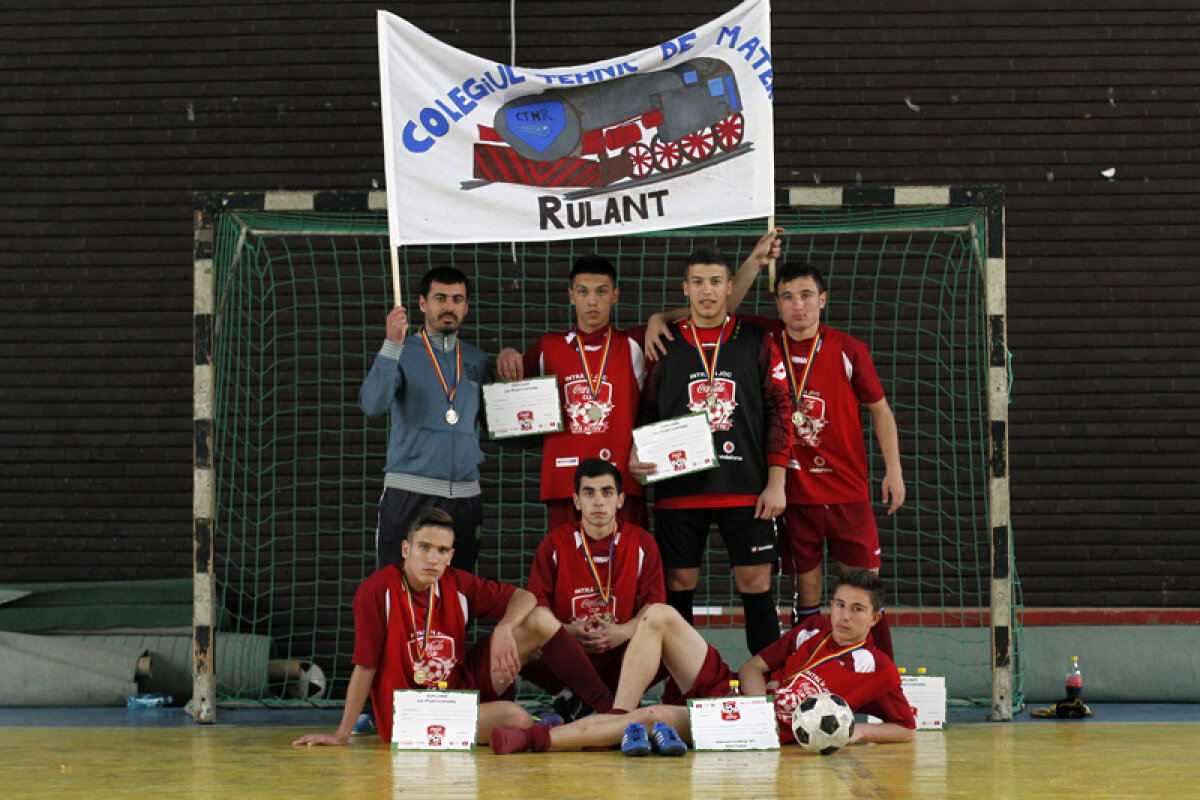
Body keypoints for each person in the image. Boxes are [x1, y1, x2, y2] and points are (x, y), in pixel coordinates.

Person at [488, 568, 914, 753]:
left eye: (856, 610)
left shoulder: (878, 668)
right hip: (739, 697)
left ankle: (534, 741)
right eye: (839, 604)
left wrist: (859, 732)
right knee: (659, 615)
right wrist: (754, 700)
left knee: (654, 715)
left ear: (875, 618)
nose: (842, 615)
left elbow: (907, 729)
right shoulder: (814, 628)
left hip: (764, 732)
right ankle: (616, 717)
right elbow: (753, 668)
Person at [292, 508, 615, 747]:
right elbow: (365, 667)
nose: (433, 558)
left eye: (442, 550)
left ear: (451, 555)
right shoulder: (377, 591)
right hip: (409, 713)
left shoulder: (455, 583)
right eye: (424, 547)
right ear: (406, 550)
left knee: (539, 620)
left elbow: (525, 596)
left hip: (459, 692)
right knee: (514, 717)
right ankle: (557, 729)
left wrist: (504, 628)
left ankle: (605, 710)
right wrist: (341, 734)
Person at [738, 258, 906, 656]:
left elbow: (881, 410)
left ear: (823, 300)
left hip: (848, 491)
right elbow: (720, 308)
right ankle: (809, 673)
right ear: (777, 303)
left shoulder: (848, 349)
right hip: (796, 495)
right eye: (788, 297)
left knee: (863, 586)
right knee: (807, 590)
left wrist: (894, 471)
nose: (799, 306)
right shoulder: (765, 340)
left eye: (807, 296)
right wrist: (755, 261)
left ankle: (879, 679)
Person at [631, 244, 792, 656]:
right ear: (685, 288)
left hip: (745, 487)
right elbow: (647, 408)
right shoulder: (664, 343)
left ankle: (768, 687)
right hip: (680, 490)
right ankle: (683, 688)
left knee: (756, 584)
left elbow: (779, 410)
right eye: (698, 282)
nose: (707, 291)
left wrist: (777, 482)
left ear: (729, 287)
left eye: (716, 282)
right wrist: (637, 450)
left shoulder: (755, 340)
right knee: (678, 588)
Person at [496, 255, 649, 528]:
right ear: (571, 296)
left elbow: (703, 316)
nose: (592, 301)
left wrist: (661, 318)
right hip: (566, 485)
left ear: (615, 295)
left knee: (624, 569)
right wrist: (507, 355)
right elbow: (512, 397)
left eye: (601, 291)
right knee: (568, 568)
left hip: (621, 487)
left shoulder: (634, 344)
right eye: (583, 291)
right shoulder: (547, 347)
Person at [359, 266, 493, 573]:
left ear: (466, 306)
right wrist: (392, 342)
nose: (449, 306)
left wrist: (518, 375)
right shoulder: (401, 351)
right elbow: (372, 405)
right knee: (397, 592)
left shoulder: (477, 360)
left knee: (458, 598)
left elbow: (498, 426)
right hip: (410, 494)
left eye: (457, 299)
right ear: (422, 304)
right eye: (440, 298)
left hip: (465, 497)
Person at [522, 458, 665, 713]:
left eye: (607, 492)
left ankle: (622, 698)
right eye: (589, 493)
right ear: (576, 501)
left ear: (621, 500)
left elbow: (654, 607)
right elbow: (537, 608)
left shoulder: (643, 542)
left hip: (619, 652)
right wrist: (567, 632)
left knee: (669, 643)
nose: (598, 501)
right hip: (570, 651)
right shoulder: (554, 543)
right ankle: (569, 697)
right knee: (515, 644)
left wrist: (625, 631)